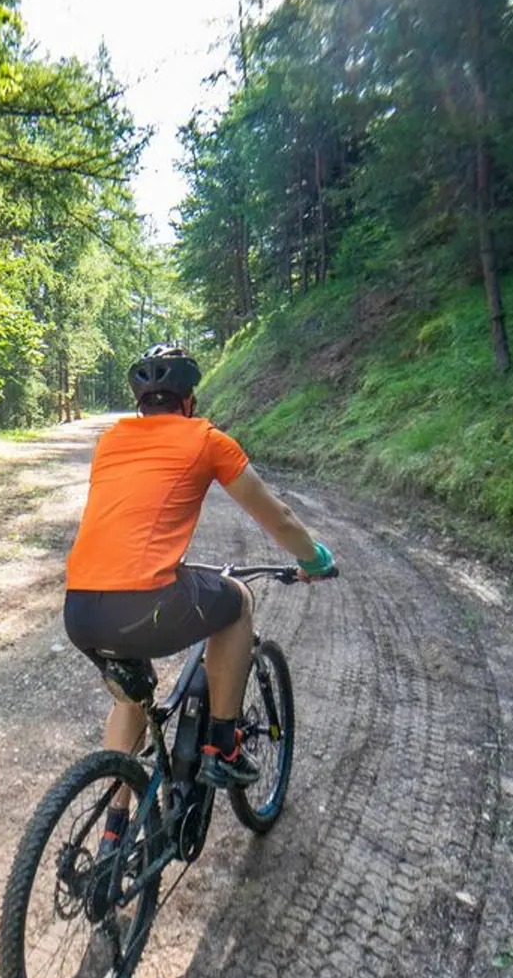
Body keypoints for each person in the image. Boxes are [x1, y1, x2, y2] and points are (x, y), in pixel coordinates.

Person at [63, 344, 336, 850]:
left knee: (132, 698)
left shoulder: (111, 441)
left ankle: (112, 834)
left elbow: (127, 523)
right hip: (145, 601)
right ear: (188, 399)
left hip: (80, 608)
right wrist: (314, 559)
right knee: (236, 603)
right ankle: (224, 747)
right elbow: (277, 517)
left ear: (140, 402)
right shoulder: (207, 440)